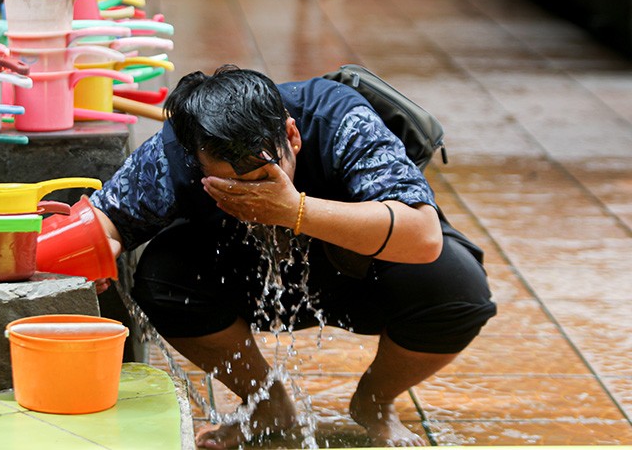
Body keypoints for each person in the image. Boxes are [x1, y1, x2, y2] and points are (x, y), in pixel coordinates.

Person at [89, 65, 497, 448]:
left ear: (292, 135)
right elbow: (104, 219)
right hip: (244, 277)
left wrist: (294, 210)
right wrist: (99, 250)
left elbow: (422, 235)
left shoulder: (340, 120)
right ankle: (267, 404)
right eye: (229, 186)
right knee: (162, 277)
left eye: (263, 179)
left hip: (359, 272)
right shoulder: (175, 150)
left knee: (456, 287)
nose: (251, 197)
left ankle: (374, 402)